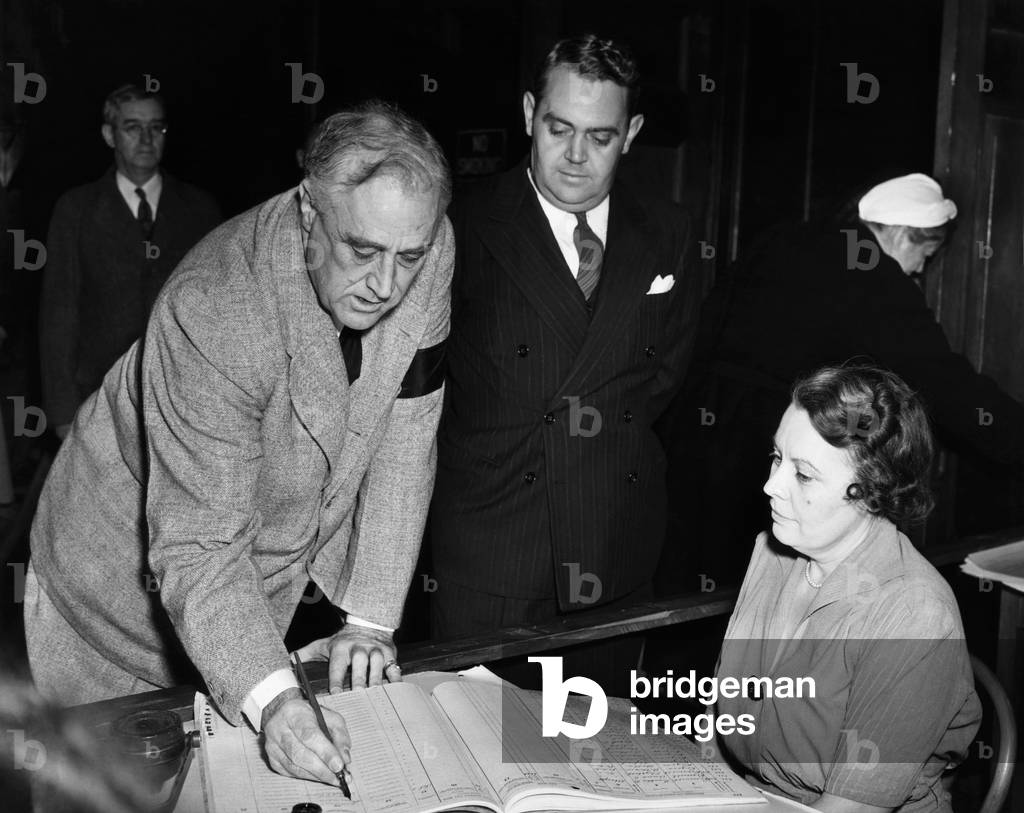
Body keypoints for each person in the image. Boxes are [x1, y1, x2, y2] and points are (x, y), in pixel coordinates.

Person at [25, 100, 453, 787]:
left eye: (409, 258)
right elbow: (199, 546)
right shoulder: (216, 306)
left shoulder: (425, 242)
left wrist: (370, 620)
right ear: (309, 214)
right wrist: (277, 699)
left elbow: (408, 427)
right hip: (111, 603)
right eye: (363, 251)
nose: (387, 285)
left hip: (251, 587)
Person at [430, 34, 700, 693]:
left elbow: (664, 380)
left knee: (597, 748)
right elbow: (416, 396)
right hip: (493, 555)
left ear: (632, 134)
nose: (576, 156)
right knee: (477, 747)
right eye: (559, 129)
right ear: (529, 114)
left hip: (615, 550)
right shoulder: (460, 223)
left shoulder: (668, 230)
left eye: (600, 137)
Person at [659, 173, 1024, 592]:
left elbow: (701, 330)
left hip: (693, 437)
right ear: (902, 232)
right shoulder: (873, 271)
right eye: (925, 254)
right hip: (770, 451)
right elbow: (947, 383)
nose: (920, 269)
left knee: (692, 587)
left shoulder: (786, 238)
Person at [714, 365, 981, 813]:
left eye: (803, 475)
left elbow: (850, 808)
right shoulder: (773, 553)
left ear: (871, 491)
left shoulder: (912, 614)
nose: (770, 486)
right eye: (777, 458)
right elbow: (721, 719)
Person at [39, 83, 221, 440]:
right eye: (132, 127)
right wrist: (62, 412)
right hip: (98, 399)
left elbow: (217, 311)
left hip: (182, 402)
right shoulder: (76, 210)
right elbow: (59, 315)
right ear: (109, 135)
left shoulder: (200, 209)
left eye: (156, 127)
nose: (146, 138)